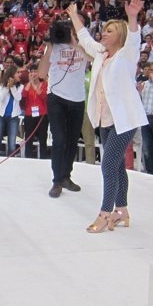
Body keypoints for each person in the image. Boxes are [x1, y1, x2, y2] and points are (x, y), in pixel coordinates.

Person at [68, 0, 148, 233]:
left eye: (111, 31)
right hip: (105, 118)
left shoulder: (127, 55)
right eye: (104, 29)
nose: (104, 33)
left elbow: (134, 39)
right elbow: (85, 38)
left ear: (120, 36)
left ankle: (105, 213)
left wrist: (132, 17)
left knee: (108, 165)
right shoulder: (102, 54)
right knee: (117, 166)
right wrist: (73, 15)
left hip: (125, 120)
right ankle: (122, 210)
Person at [37, 24, 88, 198]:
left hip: (78, 98)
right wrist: (49, 47)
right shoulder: (53, 47)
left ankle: (66, 176)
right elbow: (41, 74)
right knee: (59, 139)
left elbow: (94, 59)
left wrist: (74, 43)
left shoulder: (84, 45)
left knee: (72, 140)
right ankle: (57, 181)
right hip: (56, 97)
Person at [0, 66, 24, 156]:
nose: (19, 74)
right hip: (0, 115)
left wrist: (12, 87)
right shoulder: (2, 85)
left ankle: (11, 161)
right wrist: (7, 87)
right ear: (12, 74)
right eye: (17, 72)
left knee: (12, 143)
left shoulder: (21, 86)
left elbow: (18, 97)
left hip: (13, 117)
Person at [22, 63, 49, 159]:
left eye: (35, 71)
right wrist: (30, 82)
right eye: (32, 72)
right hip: (29, 114)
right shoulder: (27, 85)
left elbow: (43, 96)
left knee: (42, 139)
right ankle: (28, 158)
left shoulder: (45, 84)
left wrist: (33, 84)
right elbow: (24, 95)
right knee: (28, 138)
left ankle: (43, 158)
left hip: (42, 115)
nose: (34, 74)